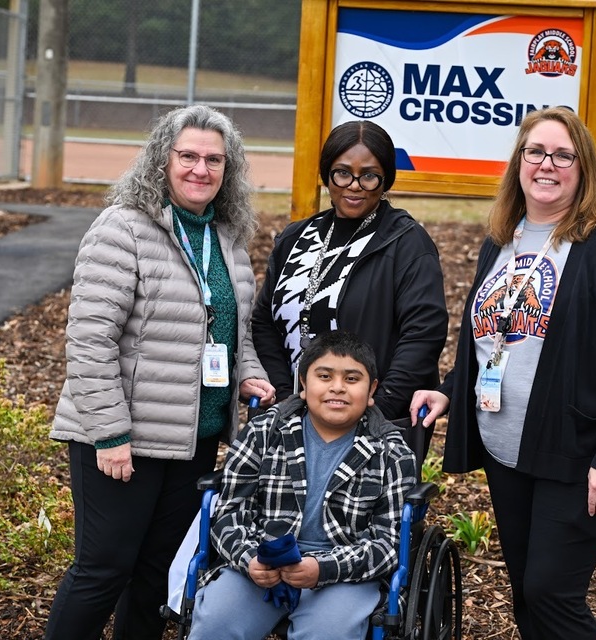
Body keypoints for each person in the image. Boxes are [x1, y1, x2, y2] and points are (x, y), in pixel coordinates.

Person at [410, 107, 596, 639]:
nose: (547, 165)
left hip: (581, 453)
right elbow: (490, 337)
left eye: (563, 155)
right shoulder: (502, 239)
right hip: (509, 450)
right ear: (519, 162)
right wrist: (450, 391)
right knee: (527, 591)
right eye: (536, 152)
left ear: (583, 168)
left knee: (551, 592)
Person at [45, 104, 276, 640]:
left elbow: (233, 328)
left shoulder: (227, 237)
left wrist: (248, 374)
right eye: (188, 156)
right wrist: (110, 434)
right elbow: (90, 340)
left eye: (214, 160)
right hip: (127, 439)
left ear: (228, 169)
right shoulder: (123, 228)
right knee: (103, 571)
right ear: (161, 160)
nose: (201, 169)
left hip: (195, 438)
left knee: (157, 577)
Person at [187, 330, 417, 640]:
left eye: (352, 379)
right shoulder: (264, 432)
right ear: (303, 384)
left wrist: (323, 568)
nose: (338, 387)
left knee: (327, 633)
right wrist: (249, 558)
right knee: (216, 623)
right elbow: (230, 513)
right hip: (264, 562)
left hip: (345, 574)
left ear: (371, 389)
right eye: (324, 376)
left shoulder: (391, 452)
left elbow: (388, 544)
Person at [252, 120, 448, 423]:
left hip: (374, 423)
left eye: (369, 176)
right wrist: (285, 400)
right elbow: (265, 322)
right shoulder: (295, 238)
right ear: (327, 174)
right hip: (293, 419)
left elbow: (423, 334)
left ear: (385, 180)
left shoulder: (406, 243)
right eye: (342, 173)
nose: (354, 185)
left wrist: (376, 412)